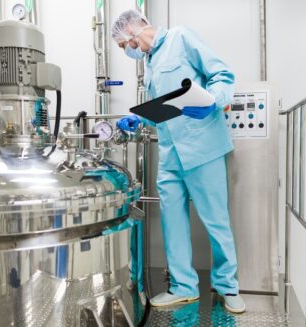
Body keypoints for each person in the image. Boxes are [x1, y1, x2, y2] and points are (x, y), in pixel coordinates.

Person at [111, 10, 245, 314]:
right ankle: (184, 287)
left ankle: (228, 286)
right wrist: (138, 117)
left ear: (132, 32)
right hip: (170, 153)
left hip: (202, 147)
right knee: (172, 220)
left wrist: (213, 101)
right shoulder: (151, 62)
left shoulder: (181, 38)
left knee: (215, 220)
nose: (128, 51)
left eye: (124, 45)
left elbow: (222, 75)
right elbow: (166, 106)